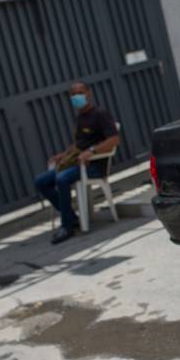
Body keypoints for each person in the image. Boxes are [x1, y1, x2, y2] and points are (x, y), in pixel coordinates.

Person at [35, 82, 119, 244]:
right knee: (41, 181)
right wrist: (63, 155)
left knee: (61, 179)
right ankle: (72, 218)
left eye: (80, 93)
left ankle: (67, 226)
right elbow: (79, 144)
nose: (77, 97)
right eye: (73, 95)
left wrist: (92, 151)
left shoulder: (100, 114)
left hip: (93, 166)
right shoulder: (81, 116)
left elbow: (114, 139)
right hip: (76, 163)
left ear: (89, 93)